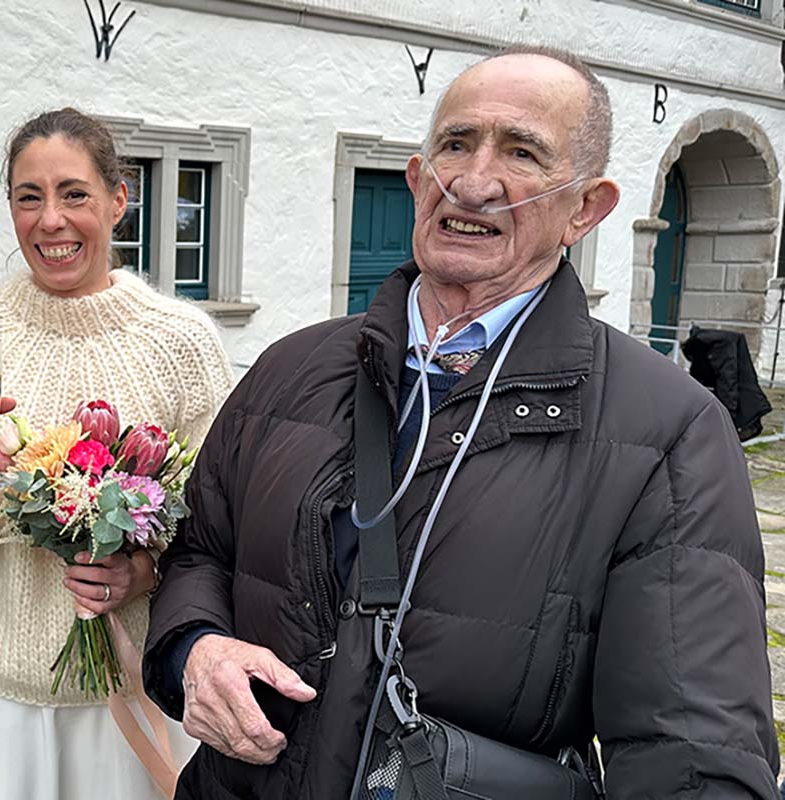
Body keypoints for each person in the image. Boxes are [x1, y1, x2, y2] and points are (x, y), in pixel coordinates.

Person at [144, 46, 780, 798]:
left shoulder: (670, 432)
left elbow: (693, 751)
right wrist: (194, 648)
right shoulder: (290, 368)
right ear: (419, 179)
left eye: (522, 152)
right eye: (456, 144)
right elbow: (200, 552)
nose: (474, 183)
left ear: (585, 208)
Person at [0, 107, 233, 800]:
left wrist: (144, 573)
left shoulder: (182, 343)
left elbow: (220, 527)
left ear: (118, 199)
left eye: (74, 193)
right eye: (28, 197)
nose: (50, 221)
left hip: (134, 693)